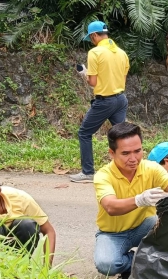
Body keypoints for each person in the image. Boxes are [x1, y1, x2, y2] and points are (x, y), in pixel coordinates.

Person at [92, 122, 168, 279]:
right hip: (113, 233)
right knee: (106, 265)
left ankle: (157, 267)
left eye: (137, 151)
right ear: (111, 153)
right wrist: (139, 200)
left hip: (145, 225)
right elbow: (110, 206)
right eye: (125, 153)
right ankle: (136, 265)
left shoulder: (151, 168)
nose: (133, 158)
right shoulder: (103, 176)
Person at [70, 20, 131, 183]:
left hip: (105, 101)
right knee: (123, 136)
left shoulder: (95, 53)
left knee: (84, 133)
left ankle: (88, 172)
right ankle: (128, 169)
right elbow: (122, 79)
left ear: (95, 35)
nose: (91, 41)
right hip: (121, 99)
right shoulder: (121, 53)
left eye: (91, 38)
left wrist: (85, 74)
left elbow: (94, 82)